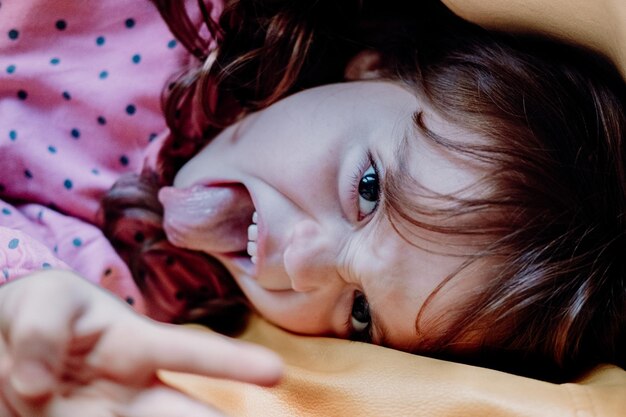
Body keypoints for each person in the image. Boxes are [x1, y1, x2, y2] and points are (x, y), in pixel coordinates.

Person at [0, 0, 624, 415]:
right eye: (369, 190)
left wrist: (26, 300)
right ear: (377, 68)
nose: (302, 267)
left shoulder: (154, 288)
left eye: (358, 314)